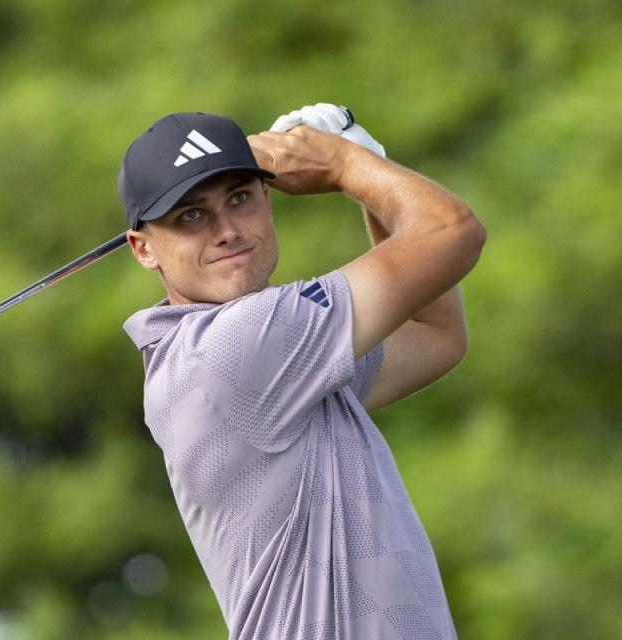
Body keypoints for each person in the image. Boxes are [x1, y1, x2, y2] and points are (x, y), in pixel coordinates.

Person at [119, 104, 486, 639]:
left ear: (268, 200)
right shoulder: (231, 348)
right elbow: (453, 231)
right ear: (144, 248)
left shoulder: (287, 363)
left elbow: (436, 335)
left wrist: (367, 172)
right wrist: (343, 163)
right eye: (190, 216)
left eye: (239, 198)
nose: (225, 230)